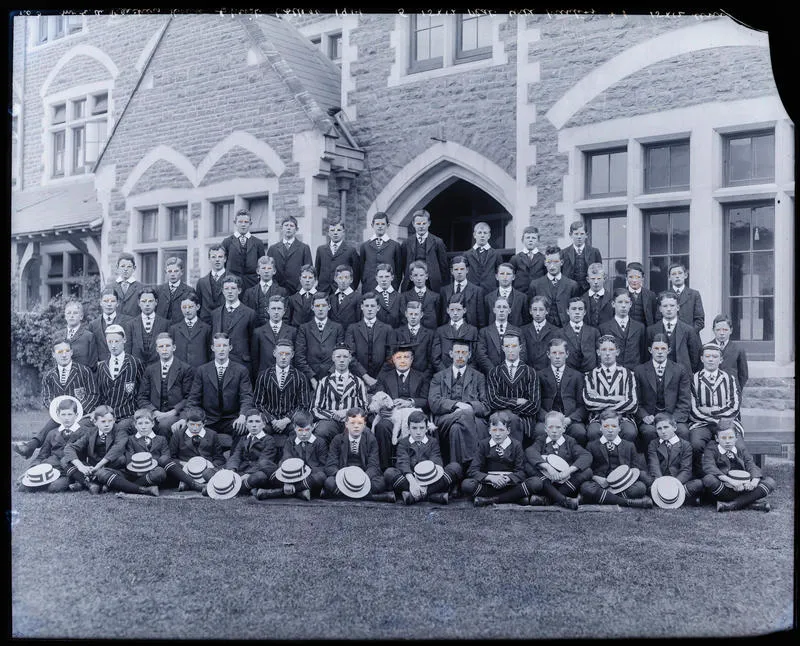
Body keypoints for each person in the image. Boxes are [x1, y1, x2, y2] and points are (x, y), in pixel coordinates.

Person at [12, 338, 98, 459]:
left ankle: (35, 448)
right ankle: (35, 452)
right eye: (60, 352)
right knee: (54, 424)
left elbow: (93, 394)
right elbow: (47, 398)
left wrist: (77, 410)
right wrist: (57, 410)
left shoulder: (84, 371)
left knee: (62, 426)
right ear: (53, 354)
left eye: (67, 351)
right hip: (61, 415)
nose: (64, 354)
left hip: (83, 414)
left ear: (71, 352)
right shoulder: (49, 376)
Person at [176, 333, 253, 449]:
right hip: (208, 419)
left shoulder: (241, 370)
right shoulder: (202, 370)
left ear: (230, 348)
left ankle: (234, 460)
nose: (221, 349)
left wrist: (242, 416)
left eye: (224, 346)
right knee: (191, 430)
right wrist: (184, 418)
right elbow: (193, 399)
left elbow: (246, 396)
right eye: (218, 346)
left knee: (245, 428)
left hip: (231, 419)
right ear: (213, 348)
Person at [428, 338, 489, 469]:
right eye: (457, 352)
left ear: (469, 355)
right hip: (446, 419)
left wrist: (470, 407)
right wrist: (458, 405)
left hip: (473, 419)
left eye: (464, 352)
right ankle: (474, 465)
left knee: (457, 429)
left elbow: (486, 406)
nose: (460, 356)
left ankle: (457, 471)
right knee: (465, 414)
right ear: (451, 354)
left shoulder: (478, 377)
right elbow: (434, 403)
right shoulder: (438, 377)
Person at [372, 343, 430, 471]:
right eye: (399, 357)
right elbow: (378, 398)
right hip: (391, 415)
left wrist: (410, 402)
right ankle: (386, 468)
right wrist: (385, 409)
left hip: (414, 414)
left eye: (406, 357)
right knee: (382, 426)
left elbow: (427, 401)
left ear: (412, 359)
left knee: (418, 424)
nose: (402, 360)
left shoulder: (421, 377)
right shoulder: (384, 377)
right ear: (393, 359)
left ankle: (418, 468)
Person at [384, 411, 462, 505]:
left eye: (421, 428)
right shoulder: (403, 443)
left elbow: (436, 462)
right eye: (414, 428)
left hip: (431, 479)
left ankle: (415, 496)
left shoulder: (433, 442)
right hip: (411, 479)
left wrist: (425, 485)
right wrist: (413, 483)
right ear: (408, 429)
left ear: (426, 429)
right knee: (389, 473)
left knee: (455, 467)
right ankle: (433, 496)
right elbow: (403, 462)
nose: (418, 432)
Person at [580, 409, 653, 508]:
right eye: (606, 426)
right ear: (600, 428)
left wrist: (626, 479)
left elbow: (636, 468)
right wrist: (596, 478)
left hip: (623, 484)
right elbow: (588, 469)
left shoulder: (629, 445)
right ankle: (626, 501)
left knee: (640, 488)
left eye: (614, 426)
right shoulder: (592, 445)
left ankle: (602, 497)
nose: (610, 430)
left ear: (619, 428)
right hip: (602, 483)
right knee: (586, 488)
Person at [689, 342, 743, 475]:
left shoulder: (729, 379)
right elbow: (693, 410)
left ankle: (734, 472)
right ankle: (701, 474)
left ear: (721, 359)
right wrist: (715, 418)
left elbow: (734, 407)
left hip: (727, 422)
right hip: (702, 423)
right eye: (707, 356)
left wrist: (712, 411)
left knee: (739, 444)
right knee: (696, 444)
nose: (711, 359)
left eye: (715, 356)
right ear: (702, 359)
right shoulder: (694, 379)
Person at [523, 410, 593, 509]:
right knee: (528, 466)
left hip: (565, 483)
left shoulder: (570, 441)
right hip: (547, 481)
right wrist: (547, 467)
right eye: (551, 427)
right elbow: (530, 451)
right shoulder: (541, 440)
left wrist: (569, 471)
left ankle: (549, 499)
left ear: (564, 428)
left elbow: (586, 456)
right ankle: (563, 500)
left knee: (588, 471)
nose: (554, 430)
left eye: (558, 427)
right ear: (546, 429)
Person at [61, 405, 136, 495]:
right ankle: (90, 483)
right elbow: (70, 447)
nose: (107, 424)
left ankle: (93, 482)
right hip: (93, 466)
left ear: (114, 420)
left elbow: (117, 449)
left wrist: (98, 466)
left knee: (120, 459)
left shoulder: (120, 431)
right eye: (103, 421)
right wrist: (81, 466)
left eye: (110, 421)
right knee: (65, 460)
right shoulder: (91, 432)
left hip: (112, 467)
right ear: (95, 422)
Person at [323, 407, 394, 502]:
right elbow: (330, 465)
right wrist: (343, 476)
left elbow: (374, 465)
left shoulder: (371, 440)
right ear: (346, 424)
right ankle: (373, 497)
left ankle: (341, 495)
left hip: (363, 476)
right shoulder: (337, 440)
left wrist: (362, 478)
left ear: (364, 425)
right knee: (329, 482)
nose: (356, 426)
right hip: (344, 476)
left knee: (380, 483)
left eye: (359, 423)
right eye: (352, 423)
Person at [702, 421, 775, 512]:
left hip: (744, 487)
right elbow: (709, 466)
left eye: (731, 437)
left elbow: (750, 463)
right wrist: (731, 481)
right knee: (708, 479)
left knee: (770, 481)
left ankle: (731, 505)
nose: (727, 441)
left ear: (736, 438)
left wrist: (754, 481)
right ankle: (749, 502)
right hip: (725, 488)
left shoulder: (740, 448)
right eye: (723, 438)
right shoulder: (711, 449)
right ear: (717, 438)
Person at [461, 411, 530, 507]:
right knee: (467, 484)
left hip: (509, 485)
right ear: (489, 430)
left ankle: (491, 500)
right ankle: (515, 498)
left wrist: (507, 479)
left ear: (508, 430)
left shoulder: (516, 445)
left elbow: (521, 472)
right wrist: (491, 478)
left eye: (501, 430)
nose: (497, 434)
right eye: (494, 430)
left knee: (535, 482)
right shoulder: (483, 445)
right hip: (490, 486)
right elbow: (472, 470)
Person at [634, 334, 692, 447]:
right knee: (648, 432)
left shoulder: (679, 370)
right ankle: (651, 463)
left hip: (673, 416)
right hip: (651, 418)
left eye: (663, 348)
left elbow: (685, 400)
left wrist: (673, 419)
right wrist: (644, 416)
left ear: (669, 350)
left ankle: (677, 463)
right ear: (650, 350)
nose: (660, 352)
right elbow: (636, 400)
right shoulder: (639, 371)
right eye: (656, 348)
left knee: (683, 431)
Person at [23, 396, 90, 493]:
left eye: (70, 414)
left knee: (53, 488)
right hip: (50, 468)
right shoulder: (52, 433)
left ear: (76, 415)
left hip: (70, 469)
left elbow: (89, 455)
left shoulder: (84, 432)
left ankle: (76, 482)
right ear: (58, 415)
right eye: (63, 414)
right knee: (23, 487)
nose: (66, 418)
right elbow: (42, 455)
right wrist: (31, 470)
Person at [486, 332, 541, 446]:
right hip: (499, 418)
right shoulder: (494, 372)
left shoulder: (530, 372)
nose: (510, 350)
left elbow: (534, 405)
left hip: (524, 418)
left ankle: (515, 456)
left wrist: (510, 411)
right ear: (502, 348)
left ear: (520, 348)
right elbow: (493, 401)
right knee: (506, 420)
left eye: (514, 346)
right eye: (507, 346)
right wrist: (516, 401)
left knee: (514, 420)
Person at [136, 332, 194, 438]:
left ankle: (165, 453)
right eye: (161, 346)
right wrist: (154, 411)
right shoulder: (150, 369)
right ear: (157, 349)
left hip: (175, 413)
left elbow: (189, 397)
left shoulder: (185, 369)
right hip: (154, 413)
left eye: (167, 346)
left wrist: (172, 412)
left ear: (174, 347)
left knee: (164, 426)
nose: (164, 349)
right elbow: (142, 396)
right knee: (138, 424)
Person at [583, 335, 638, 443]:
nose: (607, 353)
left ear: (617, 352)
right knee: (594, 432)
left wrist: (602, 400)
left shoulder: (627, 374)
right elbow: (589, 402)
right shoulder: (590, 375)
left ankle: (624, 458)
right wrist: (618, 399)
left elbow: (632, 404)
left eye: (611, 349)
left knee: (629, 432)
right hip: (598, 418)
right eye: (604, 349)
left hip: (623, 417)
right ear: (598, 352)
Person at [252, 339, 311, 440]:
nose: (283, 357)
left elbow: (303, 405)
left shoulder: (300, 377)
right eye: (280, 354)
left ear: (292, 355)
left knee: (299, 431)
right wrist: (272, 420)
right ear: (274, 353)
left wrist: (286, 420)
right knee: (259, 430)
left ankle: (290, 455)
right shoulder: (264, 375)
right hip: (269, 421)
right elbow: (258, 403)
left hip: (291, 421)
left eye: (287, 354)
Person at [311, 344, 369, 444]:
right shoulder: (324, 382)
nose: (341, 360)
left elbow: (364, 408)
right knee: (321, 431)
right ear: (333, 358)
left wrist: (348, 413)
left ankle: (357, 459)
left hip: (352, 421)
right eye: (338, 357)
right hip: (330, 421)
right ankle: (324, 459)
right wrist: (333, 415)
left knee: (366, 432)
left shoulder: (358, 382)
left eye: (345, 357)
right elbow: (315, 409)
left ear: (350, 359)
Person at [535, 338, 587, 445]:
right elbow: (536, 404)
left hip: (569, 420)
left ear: (567, 354)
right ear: (548, 355)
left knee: (580, 432)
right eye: (554, 353)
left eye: (561, 353)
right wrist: (548, 419)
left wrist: (569, 419)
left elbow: (582, 405)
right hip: (547, 419)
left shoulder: (577, 376)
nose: (557, 356)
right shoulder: (540, 375)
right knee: (539, 431)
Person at [267, 410, 329, 499]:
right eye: (300, 430)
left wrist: (305, 473)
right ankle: (301, 492)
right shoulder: (290, 441)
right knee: (272, 472)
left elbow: (323, 465)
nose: (303, 434)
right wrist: (288, 480)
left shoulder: (320, 442)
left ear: (313, 427)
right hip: (292, 475)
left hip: (310, 475)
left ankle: (283, 491)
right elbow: (286, 460)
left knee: (321, 476)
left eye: (307, 429)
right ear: (294, 428)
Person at [96, 324, 144, 435]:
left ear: (124, 340)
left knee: (119, 431)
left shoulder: (135, 363)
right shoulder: (102, 366)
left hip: (128, 415)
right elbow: (100, 393)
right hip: (107, 416)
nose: (113, 345)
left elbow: (143, 391)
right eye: (110, 342)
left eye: (117, 341)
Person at [646, 412, 703, 506]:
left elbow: (686, 470)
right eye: (659, 428)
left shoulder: (685, 445)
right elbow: (654, 466)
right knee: (643, 476)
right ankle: (681, 499)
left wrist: (673, 484)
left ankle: (663, 497)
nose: (663, 431)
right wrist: (661, 483)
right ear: (656, 430)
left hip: (677, 482)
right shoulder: (653, 444)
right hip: (659, 480)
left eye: (666, 427)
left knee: (698, 484)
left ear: (674, 427)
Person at [167, 407, 226, 492]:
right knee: (172, 468)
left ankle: (189, 484)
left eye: (198, 425)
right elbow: (171, 457)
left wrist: (210, 465)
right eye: (192, 424)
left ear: (204, 423)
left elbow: (220, 458)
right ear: (186, 422)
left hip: (205, 470)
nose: (195, 428)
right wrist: (183, 463)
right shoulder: (178, 435)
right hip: (185, 470)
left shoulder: (212, 435)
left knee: (215, 472)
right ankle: (193, 483)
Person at [225, 408, 280, 498]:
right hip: (242, 471)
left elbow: (264, 460)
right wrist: (232, 470)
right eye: (250, 422)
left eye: (257, 422)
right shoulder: (243, 439)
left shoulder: (268, 440)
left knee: (259, 477)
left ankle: (231, 488)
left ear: (263, 425)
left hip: (257, 471)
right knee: (212, 472)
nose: (254, 425)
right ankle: (245, 487)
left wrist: (248, 474)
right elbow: (236, 455)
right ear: (246, 425)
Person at [294, 293, 345, 388]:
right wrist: (311, 378)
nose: (320, 309)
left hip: (332, 377)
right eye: (317, 306)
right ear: (312, 307)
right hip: (309, 379)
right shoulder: (304, 328)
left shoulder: (337, 327)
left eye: (324, 305)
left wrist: (331, 375)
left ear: (329, 307)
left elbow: (341, 354)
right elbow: (299, 356)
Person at [646, 291, 702, 377]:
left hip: (682, 377)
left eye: (672, 305)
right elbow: (647, 356)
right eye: (665, 306)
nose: (669, 309)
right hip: (658, 376)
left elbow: (694, 357)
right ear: (660, 309)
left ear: (678, 307)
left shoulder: (689, 330)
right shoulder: (651, 330)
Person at [345, 292, 393, 391]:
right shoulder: (352, 328)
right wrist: (365, 376)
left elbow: (391, 356)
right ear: (362, 307)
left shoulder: (387, 329)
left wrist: (378, 379)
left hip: (381, 379)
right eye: (367, 306)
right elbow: (349, 355)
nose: (370, 309)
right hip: (357, 377)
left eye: (373, 306)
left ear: (378, 307)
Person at [529, 245, 580, 329]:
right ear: (545, 263)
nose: (552, 266)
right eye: (549, 262)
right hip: (543, 329)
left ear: (561, 262)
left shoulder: (572, 285)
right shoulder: (535, 285)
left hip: (565, 328)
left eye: (556, 262)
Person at [210, 275, 256, 368]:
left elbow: (253, 343)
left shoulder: (249, 313)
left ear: (239, 290)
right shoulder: (215, 314)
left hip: (241, 363)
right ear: (223, 291)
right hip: (220, 363)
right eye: (226, 288)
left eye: (233, 288)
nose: (230, 291)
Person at [400, 209, 449, 293]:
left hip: (432, 285)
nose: (421, 226)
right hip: (411, 284)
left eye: (424, 223)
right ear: (413, 224)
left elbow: (443, 268)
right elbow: (403, 265)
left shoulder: (437, 242)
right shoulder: (406, 243)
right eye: (418, 224)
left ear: (429, 223)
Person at [474, 296, 524, 377]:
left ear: (509, 310)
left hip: (513, 375)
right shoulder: (484, 332)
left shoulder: (518, 331)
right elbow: (481, 355)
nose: (501, 310)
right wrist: (494, 372)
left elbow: (522, 353)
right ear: (494, 310)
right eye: (498, 307)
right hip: (491, 376)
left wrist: (511, 370)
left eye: (504, 307)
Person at [219, 208, 266, 292]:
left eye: (246, 222)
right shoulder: (227, 242)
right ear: (235, 223)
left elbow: (261, 265)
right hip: (233, 284)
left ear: (250, 223)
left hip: (252, 284)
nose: (243, 224)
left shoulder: (258, 243)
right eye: (240, 222)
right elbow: (223, 265)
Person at [250, 296, 297, 379]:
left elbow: (294, 358)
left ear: (284, 311)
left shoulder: (292, 331)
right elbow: (255, 360)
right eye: (273, 308)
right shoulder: (258, 332)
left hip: (286, 377)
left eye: (279, 309)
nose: (276, 312)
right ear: (268, 310)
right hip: (265, 377)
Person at [598, 289, 646, 370]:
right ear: (613, 304)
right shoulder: (603, 328)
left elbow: (643, 353)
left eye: (626, 302)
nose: (623, 305)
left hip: (634, 372)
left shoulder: (640, 327)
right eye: (620, 302)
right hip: (612, 373)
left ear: (630, 304)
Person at [431, 293, 478, 372]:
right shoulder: (440, 331)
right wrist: (446, 373)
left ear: (464, 310)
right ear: (447, 310)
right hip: (444, 374)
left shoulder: (472, 330)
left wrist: (465, 373)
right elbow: (436, 358)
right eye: (452, 310)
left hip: (466, 374)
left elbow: (475, 358)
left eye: (458, 310)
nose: (455, 313)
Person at [390, 300, 435, 380]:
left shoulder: (429, 334)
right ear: (406, 314)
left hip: (423, 377)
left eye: (416, 314)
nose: (413, 317)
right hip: (401, 377)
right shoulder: (397, 332)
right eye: (411, 314)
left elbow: (431, 360)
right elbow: (392, 357)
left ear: (421, 315)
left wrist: (424, 376)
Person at [267, 215, 313, 293]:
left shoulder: (304, 248)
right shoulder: (273, 249)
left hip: (297, 290)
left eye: (291, 226)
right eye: (286, 225)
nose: (288, 228)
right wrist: (274, 287)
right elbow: (268, 269)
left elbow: (309, 271)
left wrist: (301, 288)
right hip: (277, 290)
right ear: (281, 228)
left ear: (296, 229)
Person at [315, 217, 361, 294]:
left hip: (342, 291)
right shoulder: (321, 250)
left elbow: (356, 274)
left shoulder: (350, 251)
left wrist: (350, 289)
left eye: (339, 230)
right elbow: (317, 271)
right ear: (328, 233)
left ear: (343, 232)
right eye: (332, 230)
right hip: (323, 291)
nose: (335, 233)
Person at [439, 255, 486, 329]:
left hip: (470, 335)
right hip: (448, 334)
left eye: (462, 269)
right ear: (452, 271)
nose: (459, 272)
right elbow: (441, 317)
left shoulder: (477, 291)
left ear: (467, 270)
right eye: (456, 269)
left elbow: (481, 320)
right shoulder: (444, 291)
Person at [87, 288, 133, 363]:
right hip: (101, 368)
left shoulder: (128, 322)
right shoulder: (93, 325)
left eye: (112, 301)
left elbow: (130, 346)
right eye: (106, 301)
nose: (109, 304)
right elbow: (92, 351)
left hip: (123, 365)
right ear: (100, 302)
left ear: (117, 303)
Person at [360, 212, 402, 292]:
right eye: (377, 224)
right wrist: (366, 282)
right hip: (369, 287)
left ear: (387, 226)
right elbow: (362, 269)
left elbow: (398, 271)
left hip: (389, 288)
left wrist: (395, 285)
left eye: (383, 224)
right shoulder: (365, 246)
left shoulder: (395, 245)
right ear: (372, 225)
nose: (380, 226)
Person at [127, 287, 170, 366]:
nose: (147, 304)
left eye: (150, 301)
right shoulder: (131, 324)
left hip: (158, 368)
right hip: (137, 368)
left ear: (156, 302)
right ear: (139, 303)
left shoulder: (165, 324)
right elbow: (128, 351)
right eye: (143, 301)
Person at [242, 255, 288, 330]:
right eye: (263, 268)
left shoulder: (282, 292)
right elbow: (245, 316)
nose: (266, 271)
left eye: (269, 268)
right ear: (258, 271)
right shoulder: (249, 293)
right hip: (254, 331)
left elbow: (286, 317)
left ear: (274, 271)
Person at [168, 292, 212, 368]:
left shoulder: (206, 329)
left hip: (200, 372)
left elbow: (209, 353)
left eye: (190, 307)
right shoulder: (174, 329)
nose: (187, 310)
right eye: (184, 307)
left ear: (197, 307)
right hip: (180, 372)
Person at [558, 297, 600, 374]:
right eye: (573, 309)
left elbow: (599, 355)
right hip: (568, 374)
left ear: (585, 312)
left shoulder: (594, 332)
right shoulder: (559, 333)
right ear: (567, 311)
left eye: (580, 309)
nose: (577, 312)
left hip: (590, 373)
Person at [561, 220, 602, 294]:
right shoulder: (564, 253)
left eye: (582, 234)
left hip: (589, 290)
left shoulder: (594, 252)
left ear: (586, 235)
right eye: (576, 234)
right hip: (570, 291)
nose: (579, 237)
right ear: (571, 235)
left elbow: (600, 272)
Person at [483, 263, 529, 328]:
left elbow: (526, 321)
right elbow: (486, 321)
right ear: (496, 277)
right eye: (502, 274)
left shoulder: (522, 298)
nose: (505, 277)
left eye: (508, 274)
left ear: (513, 277)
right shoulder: (488, 298)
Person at [711, 314, 748, 392]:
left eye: (725, 330)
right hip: (712, 392)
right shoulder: (707, 348)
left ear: (731, 330)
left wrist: (736, 390)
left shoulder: (738, 349)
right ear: (713, 330)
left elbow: (743, 375)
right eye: (718, 330)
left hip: (731, 392)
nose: (722, 333)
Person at [463, 221, 502, 294]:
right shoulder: (467, 254)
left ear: (489, 235)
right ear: (474, 235)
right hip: (472, 291)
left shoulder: (496, 254)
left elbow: (499, 274)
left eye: (485, 233)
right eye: (479, 233)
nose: (482, 235)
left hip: (490, 291)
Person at [520, 295, 558, 372]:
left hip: (547, 373)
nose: (537, 313)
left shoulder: (556, 331)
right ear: (530, 311)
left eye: (541, 310)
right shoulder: (523, 330)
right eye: (534, 309)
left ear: (547, 311)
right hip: (527, 372)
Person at [401, 260, 441, 330]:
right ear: (411, 278)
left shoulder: (435, 297)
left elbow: (439, 318)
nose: (419, 278)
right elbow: (404, 319)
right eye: (415, 275)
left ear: (426, 276)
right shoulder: (404, 296)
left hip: (431, 334)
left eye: (421, 275)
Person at [194, 245, 229, 325]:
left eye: (220, 257)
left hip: (226, 323)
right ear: (209, 259)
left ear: (225, 259)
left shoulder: (234, 280)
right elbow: (198, 306)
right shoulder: (201, 282)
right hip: (206, 324)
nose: (217, 260)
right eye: (213, 257)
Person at [58, 300, 97, 369]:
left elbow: (93, 365)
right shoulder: (58, 336)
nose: (71, 316)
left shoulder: (88, 336)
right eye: (69, 313)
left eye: (75, 313)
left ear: (81, 316)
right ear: (65, 316)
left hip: (82, 377)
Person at [154, 256, 193, 325]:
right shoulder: (158, 290)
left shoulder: (189, 290)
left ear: (182, 272)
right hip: (161, 328)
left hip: (180, 329)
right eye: (169, 271)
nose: (172, 274)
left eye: (176, 271)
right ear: (165, 273)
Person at [667, 263, 705, 333]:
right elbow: (659, 319)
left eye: (680, 273)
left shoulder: (694, 295)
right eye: (674, 274)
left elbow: (700, 321)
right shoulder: (664, 295)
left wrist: (689, 333)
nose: (677, 276)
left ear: (685, 275)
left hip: (690, 337)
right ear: (669, 277)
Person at [509, 225, 545, 296]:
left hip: (538, 294)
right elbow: (511, 277)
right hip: (519, 294)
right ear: (522, 240)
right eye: (528, 238)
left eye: (533, 238)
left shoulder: (543, 258)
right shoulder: (515, 258)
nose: (530, 240)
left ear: (538, 240)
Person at [328, 265, 363, 330]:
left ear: (351, 280)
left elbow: (359, 320)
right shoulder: (331, 298)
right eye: (340, 278)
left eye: (346, 277)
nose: (343, 281)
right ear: (335, 279)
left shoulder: (357, 298)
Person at [110, 252, 145, 317]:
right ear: (117, 267)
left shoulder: (141, 288)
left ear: (134, 268)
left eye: (129, 266)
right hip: (115, 325)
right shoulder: (110, 287)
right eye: (122, 266)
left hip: (134, 325)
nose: (125, 269)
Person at [625, 262, 657, 328]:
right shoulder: (621, 294)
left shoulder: (650, 295)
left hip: (645, 332)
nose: (634, 280)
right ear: (626, 277)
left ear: (643, 278)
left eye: (637, 277)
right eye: (631, 277)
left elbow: (654, 316)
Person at [581, 262, 614, 328]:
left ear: (604, 278)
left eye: (599, 278)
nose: (596, 282)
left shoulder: (612, 298)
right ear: (588, 279)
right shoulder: (582, 299)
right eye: (593, 279)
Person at [373, 264, 403, 329]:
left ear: (392, 277)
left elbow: (403, 319)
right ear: (376, 278)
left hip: (395, 333)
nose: (384, 280)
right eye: (381, 277)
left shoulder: (399, 297)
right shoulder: (371, 296)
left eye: (387, 276)